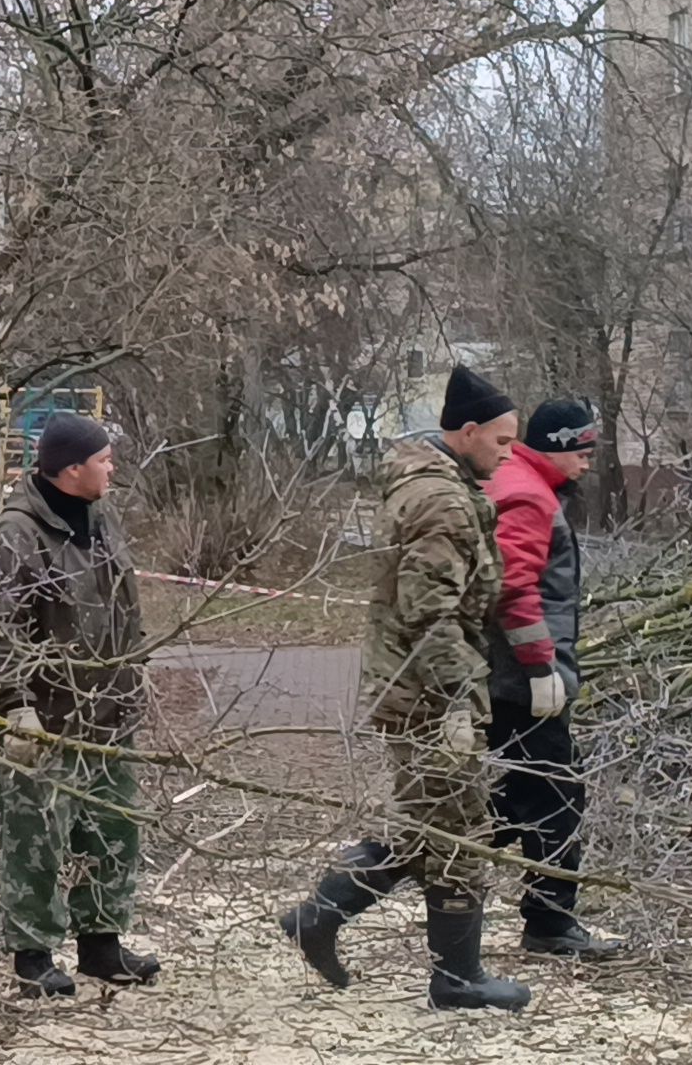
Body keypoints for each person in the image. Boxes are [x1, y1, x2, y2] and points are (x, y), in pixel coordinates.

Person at [278, 365, 531, 1011]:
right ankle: (457, 976)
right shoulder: (441, 500)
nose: (508, 455)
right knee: (458, 827)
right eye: (502, 442)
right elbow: (431, 613)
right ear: (468, 432)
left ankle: (324, 913)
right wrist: (455, 704)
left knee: (428, 823)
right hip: (428, 693)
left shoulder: (436, 484)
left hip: (411, 685)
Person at [0, 411, 158, 998]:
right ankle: (33, 957)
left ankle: (102, 946)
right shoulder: (16, 533)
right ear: (72, 468)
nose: (113, 468)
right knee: (36, 839)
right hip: (46, 718)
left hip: (109, 710)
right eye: (104, 460)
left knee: (113, 830)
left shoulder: (100, 519)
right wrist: (15, 706)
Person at [484, 400, 623, 960]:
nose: (588, 465)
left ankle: (348, 890)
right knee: (558, 801)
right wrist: (542, 667)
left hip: (514, 678)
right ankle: (549, 925)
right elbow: (514, 589)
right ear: (560, 447)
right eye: (584, 453)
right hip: (523, 683)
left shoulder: (523, 483)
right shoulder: (527, 494)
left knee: (506, 806)